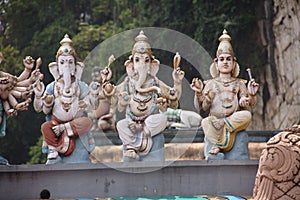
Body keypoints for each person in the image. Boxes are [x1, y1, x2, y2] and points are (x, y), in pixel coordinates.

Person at [191, 30, 259, 159]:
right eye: (222, 59)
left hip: (231, 122)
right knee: (206, 122)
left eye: (228, 59)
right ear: (216, 63)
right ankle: (218, 142)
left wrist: (250, 96)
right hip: (215, 121)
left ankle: (220, 140)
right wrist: (201, 94)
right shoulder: (210, 84)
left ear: (234, 63)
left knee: (246, 115)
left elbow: (246, 104)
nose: (225, 62)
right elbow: (204, 108)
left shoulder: (240, 83)